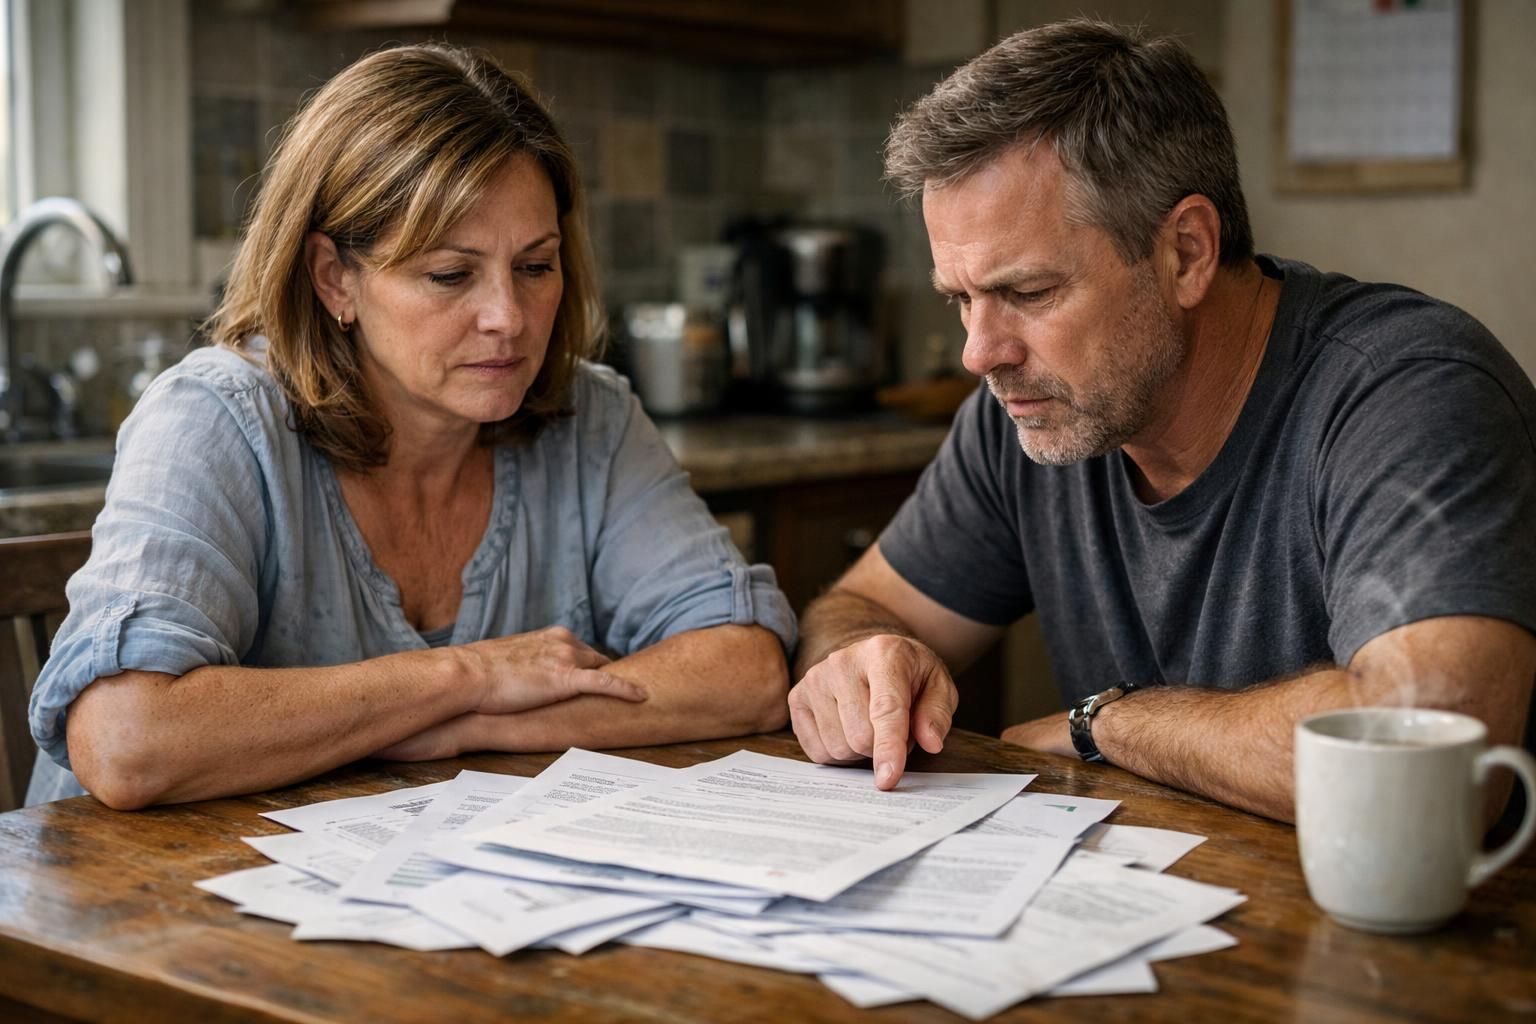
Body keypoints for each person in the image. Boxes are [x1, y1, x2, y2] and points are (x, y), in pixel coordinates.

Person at [789, 19, 1536, 823]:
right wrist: (856, 663)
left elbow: (1429, 762)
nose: (979, 353)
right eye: (960, 298)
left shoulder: (1407, 393)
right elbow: (865, 609)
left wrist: (1107, 722)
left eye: (1030, 293)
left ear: (1186, 251)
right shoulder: (1030, 403)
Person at [26, 44, 795, 810]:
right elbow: (127, 740)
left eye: (536, 267)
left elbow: (745, 669)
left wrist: (466, 725)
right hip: (130, 913)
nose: (509, 318)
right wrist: (467, 676)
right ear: (334, 278)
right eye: (449, 275)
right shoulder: (214, 419)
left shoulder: (590, 416)